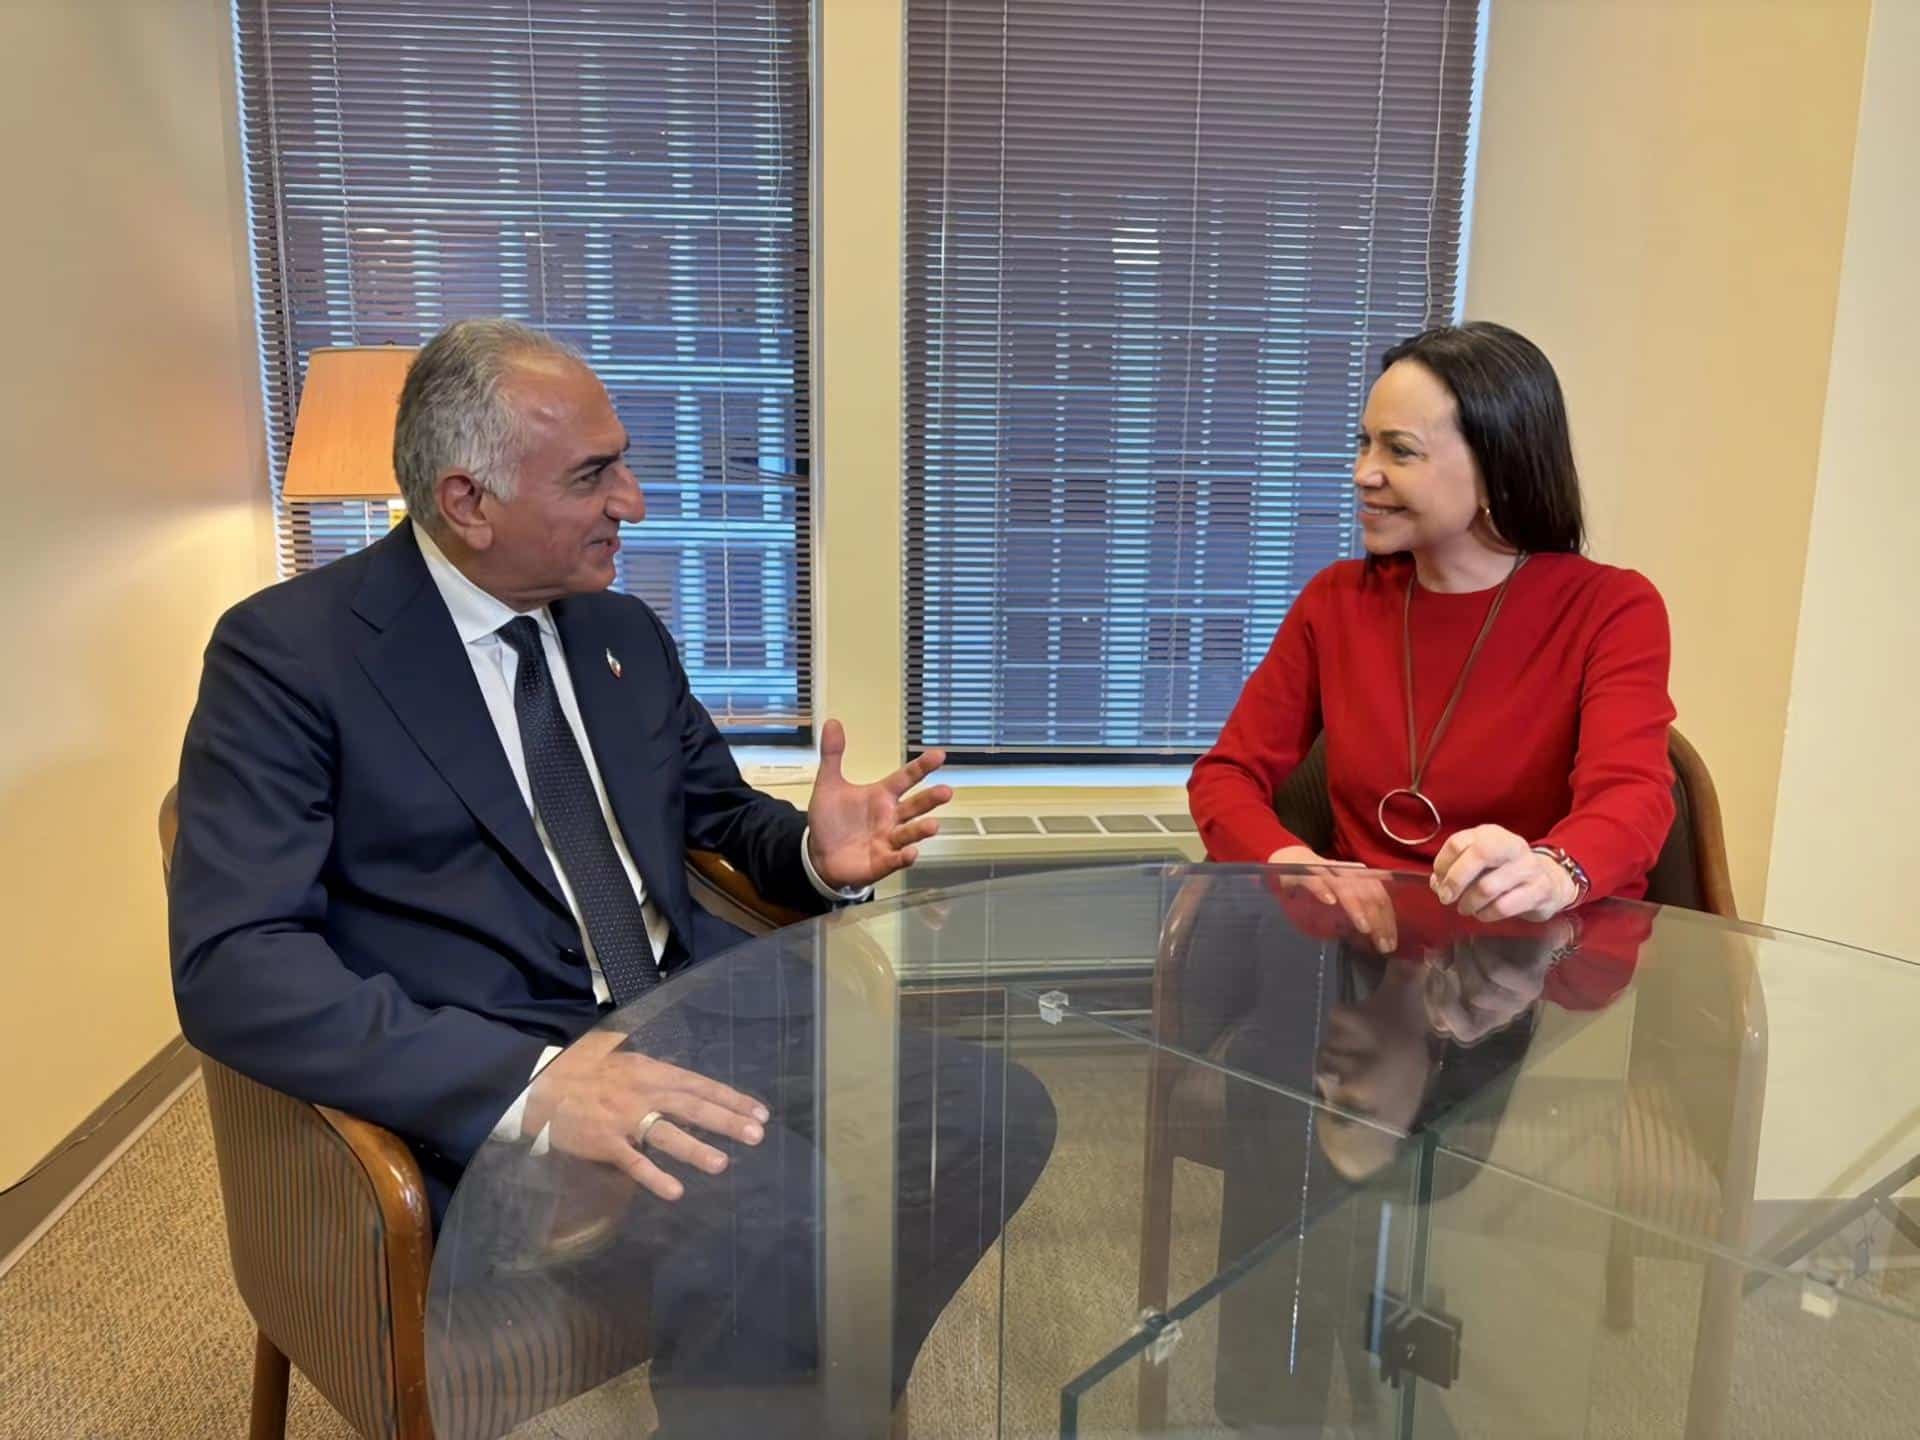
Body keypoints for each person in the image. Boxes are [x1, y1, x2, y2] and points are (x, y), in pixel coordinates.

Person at [168, 318, 1054, 1435]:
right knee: (777, 1208)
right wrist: (528, 1084)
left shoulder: (619, 630)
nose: (632, 501)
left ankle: (834, 1392)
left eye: (622, 461)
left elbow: (715, 813)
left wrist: (815, 857)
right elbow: (235, 964)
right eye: (594, 476)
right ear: (467, 501)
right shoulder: (290, 656)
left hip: (704, 1006)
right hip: (505, 1054)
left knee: (993, 1113)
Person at [1189, 321, 1677, 949]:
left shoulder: (1612, 607)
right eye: (1364, 444)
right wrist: (1292, 861)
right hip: (1364, 958)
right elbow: (1226, 774)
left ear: (1498, 469)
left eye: (1399, 450)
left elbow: (1633, 799)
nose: (1363, 473)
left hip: (1536, 960)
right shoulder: (1336, 600)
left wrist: (1554, 871)